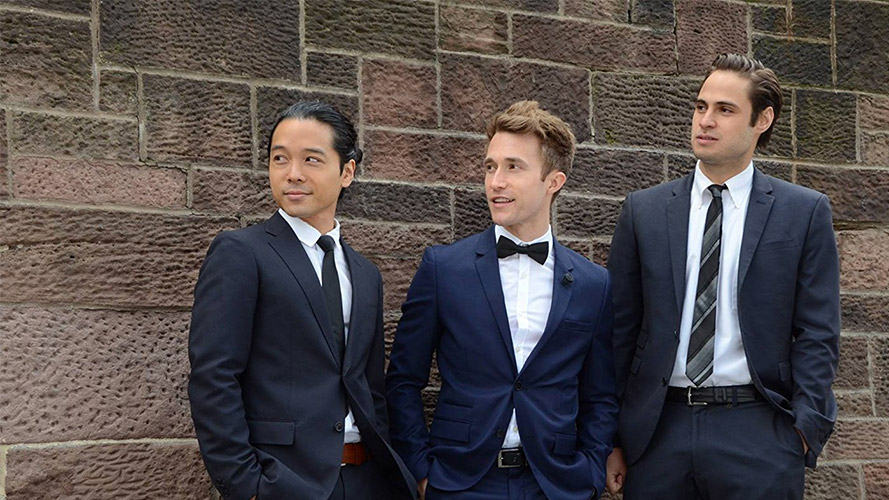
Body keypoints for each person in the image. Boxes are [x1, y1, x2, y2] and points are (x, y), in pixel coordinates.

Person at [605, 53, 840, 500]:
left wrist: (802, 431)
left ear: (762, 120)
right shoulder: (644, 211)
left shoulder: (803, 212)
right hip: (657, 434)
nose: (706, 120)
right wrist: (611, 437)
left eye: (725, 109)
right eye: (701, 106)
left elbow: (818, 331)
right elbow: (619, 330)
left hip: (758, 433)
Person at [386, 100, 618, 500]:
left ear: (554, 181)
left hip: (556, 485)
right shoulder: (444, 268)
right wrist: (422, 472)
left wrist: (591, 472)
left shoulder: (593, 283)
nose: (495, 182)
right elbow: (403, 380)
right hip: (460, 484)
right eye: (490, 166)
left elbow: (600, 396)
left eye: (513, 167)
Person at [188, 101, 416, 500]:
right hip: (283, 481)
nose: (292, 173)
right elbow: (213, 377)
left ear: (347, 172)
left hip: (366, 480)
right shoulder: (241, 253)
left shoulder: (365, 274)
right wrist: (248, 486)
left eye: (311, 159)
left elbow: (370, 387)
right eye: (280, 159)